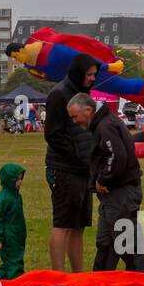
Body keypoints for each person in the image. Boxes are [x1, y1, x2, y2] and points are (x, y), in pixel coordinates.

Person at [68, 93, 144, 272]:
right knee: (106, 243)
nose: (75, 122)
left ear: (88, 110)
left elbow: (116, 156)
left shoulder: (105, 126)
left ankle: (143, 282)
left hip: (120, 194)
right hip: (115, 196)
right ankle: (99, 283)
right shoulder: (103, 124)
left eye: (75, 117)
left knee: (128, 245)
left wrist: (103, 178)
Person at [43, 53, 99, 272]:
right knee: (63, 224)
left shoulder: (84, 95)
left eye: (94, 75)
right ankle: (58, 275)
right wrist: (77, 154)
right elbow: (53, 134)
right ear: (78, 73)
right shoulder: (58, 94)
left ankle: (78, 276)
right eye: (89, 75)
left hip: (83, 169)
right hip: (64, 169)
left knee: (79, 225)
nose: (92, 79)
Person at [0, 162, 27, 279]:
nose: (20, 182)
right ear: (9, 180)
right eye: (17, 179)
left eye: (21, 179)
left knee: (9, 263)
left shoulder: (16, 196)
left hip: (17, 236)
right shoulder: (3, 198)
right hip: (8, 237)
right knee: (14, 263)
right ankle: (16, 282)